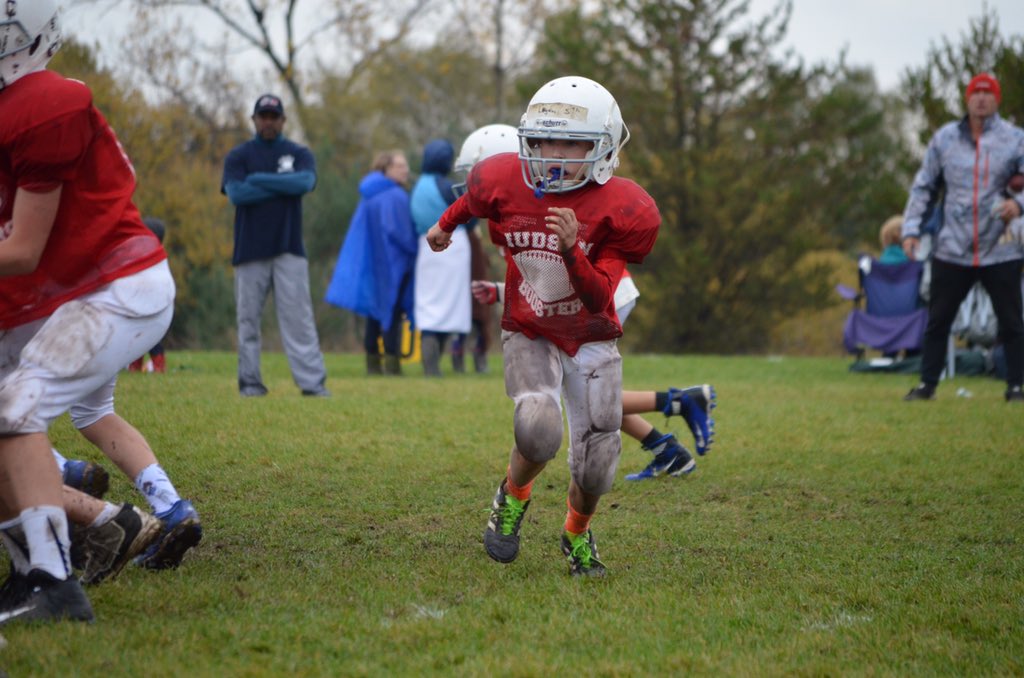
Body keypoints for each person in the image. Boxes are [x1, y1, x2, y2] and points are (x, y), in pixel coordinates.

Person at [426, 76, 660, 577]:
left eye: (570, 143)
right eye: (546, 139)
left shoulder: (624, 208)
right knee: (537, 429)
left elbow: (600, 297)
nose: (552, 153)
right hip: (530, 323)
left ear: (601, 151)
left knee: (598, 464)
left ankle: (576, 532)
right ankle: (511, 499)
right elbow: (476, 200)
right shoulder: (506, 176)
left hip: (591, 330)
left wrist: (574, 248)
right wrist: (445, 225)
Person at [0, 0, 184, 623]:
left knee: (14, 409)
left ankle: (54, 585)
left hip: (116, 287)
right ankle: (45, 562)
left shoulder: (44, 103)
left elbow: (21, 250)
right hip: (64, 295)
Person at [473, 274, 715, 481]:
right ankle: (667, 449)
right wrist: (499, 291)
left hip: (596, 295)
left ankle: (679, 402)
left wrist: (500, 291)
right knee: (589, 395)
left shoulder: (509, 222)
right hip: (597, 291)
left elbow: (548, 273)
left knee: (585, 393)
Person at [901, 73, 1024, 402]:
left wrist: (1018, 203)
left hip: (1001, 247)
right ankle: (927, 385)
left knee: (1012, 321)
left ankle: (1016, 387)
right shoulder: (944, 139)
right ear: (967, 99)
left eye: (988, 92)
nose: (982, 97)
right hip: (953, 247)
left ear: (996, 99)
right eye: (976, 92)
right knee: (938, 320)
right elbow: (924, 186)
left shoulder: (1015, 139)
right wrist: (911, 230)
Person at [221, 93, 329, 397]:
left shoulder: (298, 153)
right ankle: (251, 384)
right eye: (263, 116)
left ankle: (312, 385)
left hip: (289, 249)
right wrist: (283, 187)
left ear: (282, 120)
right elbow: (237, 195)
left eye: (274, 116)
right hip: (249, 250)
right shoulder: (239, 156)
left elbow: (305, 183)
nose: (268, 122)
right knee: (248, 321)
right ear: (254, 119)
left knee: (299, 319)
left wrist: (257, 180)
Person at [326, 150, 417, 376]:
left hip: (372, 263)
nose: (405, 170)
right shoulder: (396, 196)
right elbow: (403, 234)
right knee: (393, 314)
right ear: (385, 169)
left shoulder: (369, 194)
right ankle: (392, 364)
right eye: (399, 166)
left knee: (374, 313)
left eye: (405, 166)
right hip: (395, 264)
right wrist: (417, 250)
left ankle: (372, 364)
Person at [411, 139, 470, 377]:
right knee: (451, 303)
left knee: (429, 303)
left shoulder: (417, 187)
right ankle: (440, 362)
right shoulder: (446, 186)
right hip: (452, 247)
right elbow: (468, 213)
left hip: (424, 249)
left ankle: (430, 362)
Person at [129, 217, 170, 373]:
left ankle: (157, 364)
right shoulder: (157, 257)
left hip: (151, 304)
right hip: (143, 303)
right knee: (138, 335)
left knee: (148, 336)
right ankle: (137, 365)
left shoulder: (152, 258)